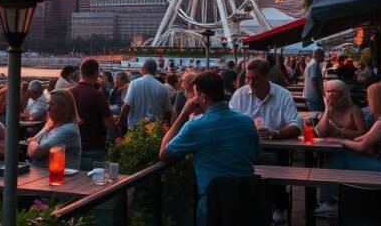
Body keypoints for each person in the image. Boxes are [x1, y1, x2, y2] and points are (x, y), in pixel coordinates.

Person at [160, 71, 258, 225]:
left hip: (214, 205)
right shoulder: (247, 121)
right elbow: (255, 155)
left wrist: (184, 114)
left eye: (196, 95)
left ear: (203, 98)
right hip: (248, 201)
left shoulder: (196, 126)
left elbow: (164, 153)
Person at [314, 82, 381, 217]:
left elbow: (363, 145)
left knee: (341, 157)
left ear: (377, 100)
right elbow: (364, 138)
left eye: (370, 99)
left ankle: (331, 201)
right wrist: (348, 137)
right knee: (343, 156)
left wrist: (342, 140)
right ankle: (333, 197)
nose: (368, 102)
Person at [229, 58, 303, 224]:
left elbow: (297, 125)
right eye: (248, 78)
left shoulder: (282, 95)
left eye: (255, 79)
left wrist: (275, 133)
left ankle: (279, 204)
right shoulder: (240, 94)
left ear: (267, 76)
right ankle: (249, 206)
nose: (250, 83)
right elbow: (230, 121)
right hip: (245, 148)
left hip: (277, 148)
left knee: (275, 160)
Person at [70, 59, 117, 162]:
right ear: (96, 73)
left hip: (72, 148)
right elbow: (110, 125)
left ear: (81, 72)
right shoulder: (97, 95)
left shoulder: (69, 93)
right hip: (93, 150)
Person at [27, 89, 82, 170]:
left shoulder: (68, 130)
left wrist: (32, 142)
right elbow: (31, 151)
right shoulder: (54, 127)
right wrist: (46, 129)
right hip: (43, 177)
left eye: (52, 105)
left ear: (65, 108)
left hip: (62, 179)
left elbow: (36, 152)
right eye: (48, 104)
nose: (47, 109)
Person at [118, 59, 172, 133]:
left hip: (135, 129)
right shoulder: (162, 88)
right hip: (154, 130)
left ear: (143, 69)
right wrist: (166, 128)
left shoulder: (134, 83)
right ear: (155, 71)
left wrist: (120, 123)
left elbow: (127, 105)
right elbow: (168, 111)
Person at [303, 48, 326, 112]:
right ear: (319, 55)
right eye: (323, 55)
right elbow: (314, 80)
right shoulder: (315, 64)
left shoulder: (310, 63)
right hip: (314, 97)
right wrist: (320, 96)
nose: (324, 57)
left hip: (309, 96)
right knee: (317, 117)